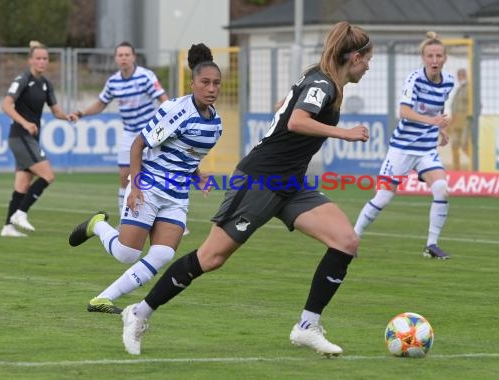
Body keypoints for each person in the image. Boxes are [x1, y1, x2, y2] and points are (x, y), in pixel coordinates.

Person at [119, 21, 372, 356]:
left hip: (289, 182)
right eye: (367, 58)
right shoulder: (322, 82)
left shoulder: (320, 80)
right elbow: (296, 120)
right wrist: (346, 132)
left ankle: (307, 326)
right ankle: (138, 313)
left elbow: (285, 107)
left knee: (346, 240)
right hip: (260, 179)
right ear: (353, 57)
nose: (368, 65)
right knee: (211, 257)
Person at [67, 44, 222, 314]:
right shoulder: (175, 109)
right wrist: (135, 187)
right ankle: (98, 225)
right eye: (205, 82)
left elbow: (186, 153)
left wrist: (197, 176)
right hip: (149, 185)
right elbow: (138, 145)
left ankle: (102, 299)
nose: (211, 88)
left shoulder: (215, 123)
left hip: (176, 194)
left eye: (216, 83)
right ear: (193, 83)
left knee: (163, 254)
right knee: (127, 253)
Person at [354, 31, 454, 259]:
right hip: (402, 148)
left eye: (439, 56)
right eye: (430, 56)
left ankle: (431, 245)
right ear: (423, 58)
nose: (435, 60)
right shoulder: (414, 79)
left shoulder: (448, 81)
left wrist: (442, 129)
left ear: (445, 58)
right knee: (383, 197)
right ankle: (351, 238)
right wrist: (433, 121)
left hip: (426, 149)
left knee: (441, 188)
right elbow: (404, 111)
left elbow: (437, 108)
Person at [68, 41, 169, 220]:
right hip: (130, 133)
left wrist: (170, 120)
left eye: (127, 55)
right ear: (116, 59)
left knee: (159, 177)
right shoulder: (113, 81)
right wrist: (81, 113)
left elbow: (163, 99)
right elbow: (101, 103)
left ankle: (171, 219)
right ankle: (125, 221)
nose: (123, 58)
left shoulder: (146, 76)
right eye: (120, 55)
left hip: (150, 133)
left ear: (134, 57)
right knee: (124, 177)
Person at [0, 41, 74, 237]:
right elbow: (6, 105)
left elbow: (55, 110)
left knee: (23, 184)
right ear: (30, 60)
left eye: (45, 58)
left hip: (30, 138)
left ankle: (8, 227)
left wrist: (67, 116)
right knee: (48, 175)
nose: (42, 61)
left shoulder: (46, 84)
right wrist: (24, 123)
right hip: (20, 136)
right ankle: (20, 213)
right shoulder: (22, 79)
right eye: (38, 58)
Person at [450, 68, 472, 171]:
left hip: (465, 121)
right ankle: (456, 169)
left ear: (466, 75)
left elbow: (474, 105)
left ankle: (475, 163)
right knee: (454, 145)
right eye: (459, 75)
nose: (461, 77)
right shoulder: (459, 89)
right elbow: (454, 106)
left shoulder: (469, 89)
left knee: (464, 145)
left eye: (463, 74)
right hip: (456, 121)